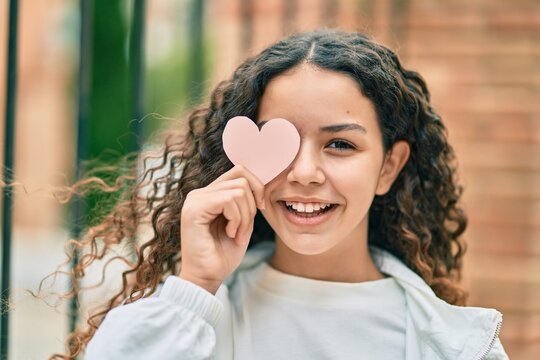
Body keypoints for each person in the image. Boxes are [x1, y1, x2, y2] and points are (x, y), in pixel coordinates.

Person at [50, 29, 508, 359]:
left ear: (389, 166)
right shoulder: (195, 318)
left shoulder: (459, 345)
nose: (305, 173)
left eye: (340, 144)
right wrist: (196, 286)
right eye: (282, 142)